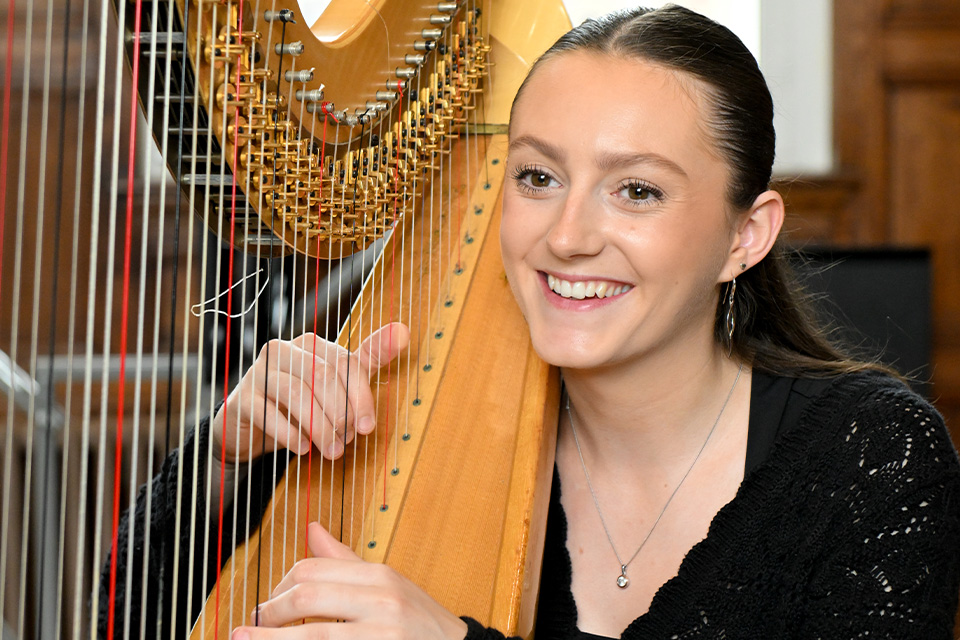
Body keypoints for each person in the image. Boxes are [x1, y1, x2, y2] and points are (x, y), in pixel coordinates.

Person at [99, 5, 960, 639]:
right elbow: (128, 613)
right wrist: (223, 466)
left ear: (747, 235)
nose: (568, 237)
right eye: (538, 177)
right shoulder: (386, 409)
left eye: (637, 190)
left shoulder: (872, 455)